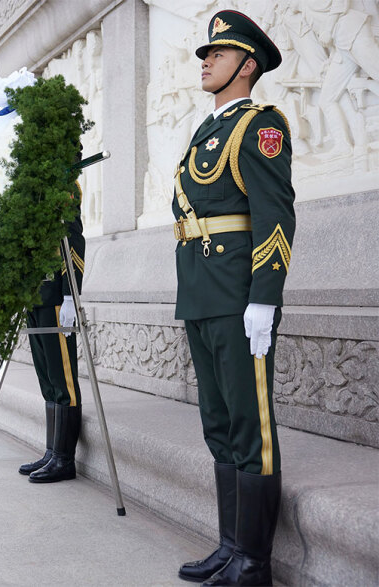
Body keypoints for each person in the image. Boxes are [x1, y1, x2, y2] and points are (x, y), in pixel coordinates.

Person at [171, 11, 295, 586]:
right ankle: (230, 548)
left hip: (240, 296)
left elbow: (275, 214)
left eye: (217, 54)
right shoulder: (208, 130)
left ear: (247, 66)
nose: (206, 62)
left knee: (251, 427)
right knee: (218, 425)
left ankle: (254, 563)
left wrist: (264, 298)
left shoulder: (260, 126)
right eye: (206, 54)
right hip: (200, 294)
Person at [19, 184, 85, 484]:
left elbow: (73, 239)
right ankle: (52, 452)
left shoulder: (62, 185)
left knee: (63, 381)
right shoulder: (28, 186)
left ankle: (64, 459)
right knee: (47, 378)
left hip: (56, 296)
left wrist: (71, 294)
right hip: (35, 295)